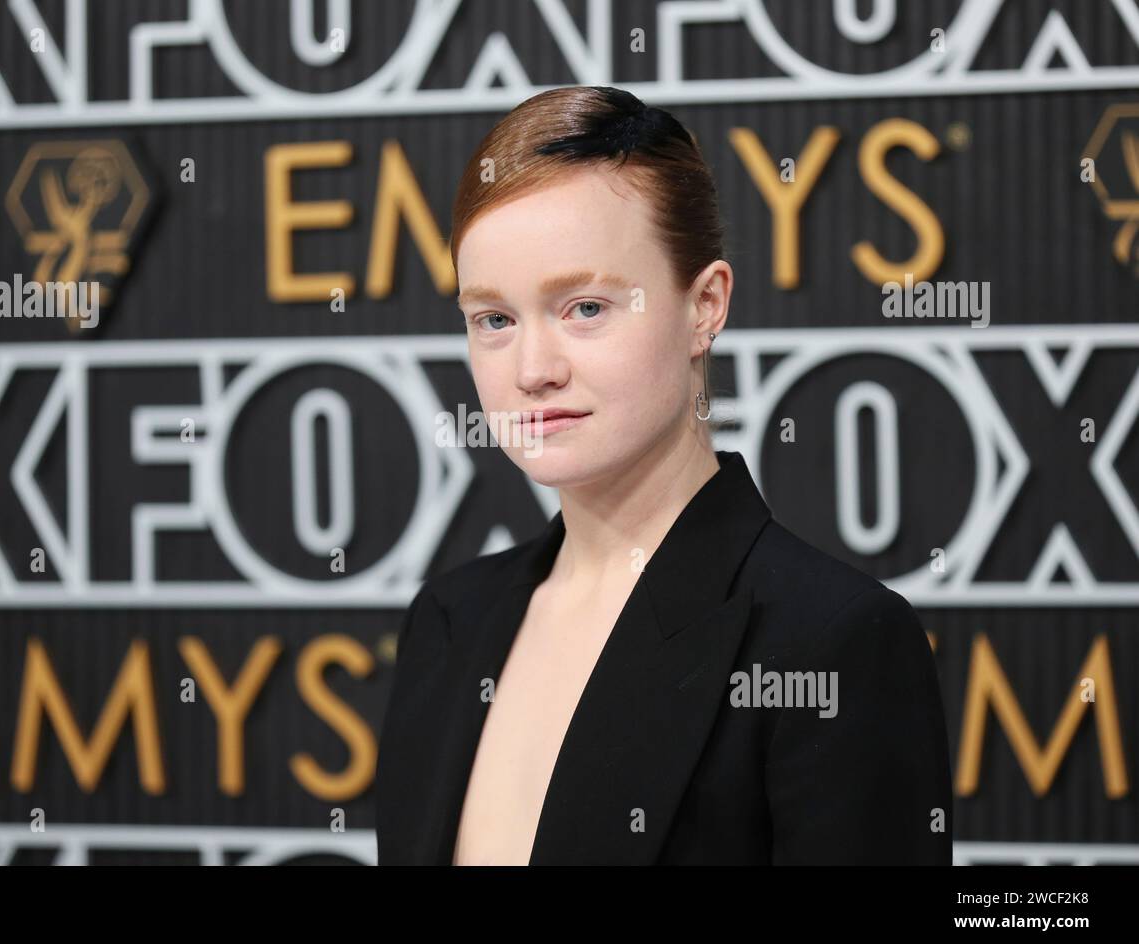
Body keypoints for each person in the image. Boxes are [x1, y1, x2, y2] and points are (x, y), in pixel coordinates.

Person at [375, 86, 953, 865]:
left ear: (704, 305)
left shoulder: (830, 641)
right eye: (495, 320)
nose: (534, 371)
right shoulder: (448, 622)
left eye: (585, 308)